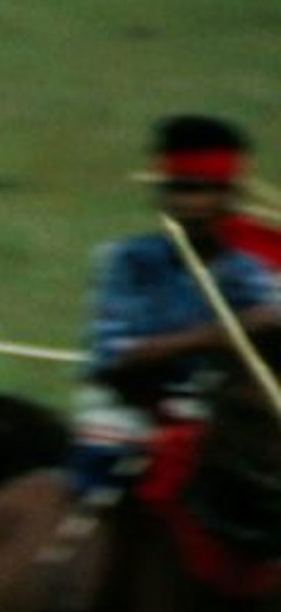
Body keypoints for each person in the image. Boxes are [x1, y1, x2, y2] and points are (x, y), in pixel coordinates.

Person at [69, 114, 281, 505]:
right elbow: (114, 359)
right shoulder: (125, 261)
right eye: (180, 190)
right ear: (161, 197)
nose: (191, 204)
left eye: (207, 191)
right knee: (102, 494)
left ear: (232, 197)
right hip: (129, 414)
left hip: (217, 421)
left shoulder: (251, 273)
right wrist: (230, 331)